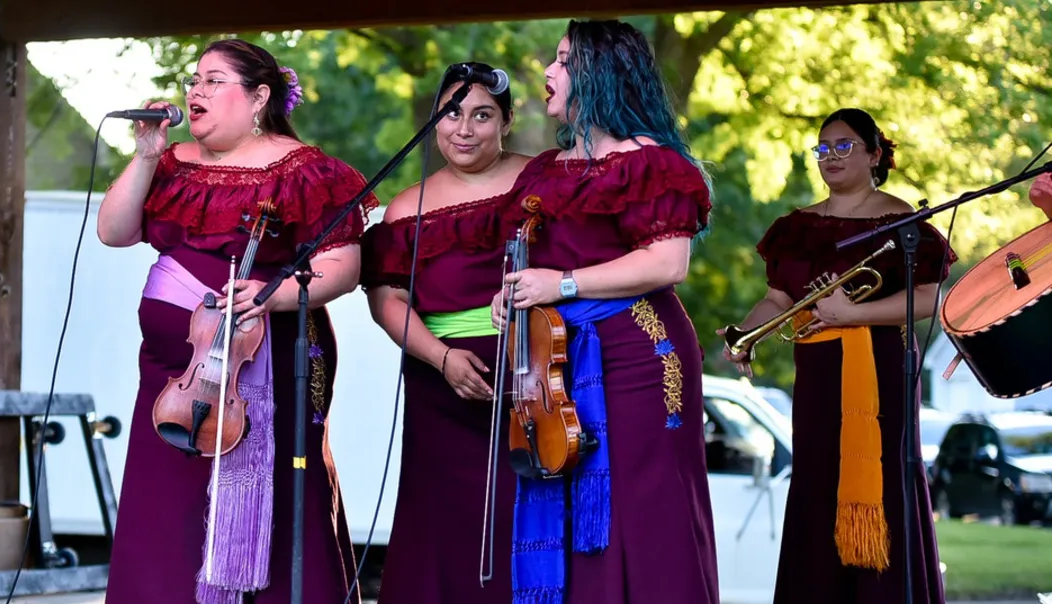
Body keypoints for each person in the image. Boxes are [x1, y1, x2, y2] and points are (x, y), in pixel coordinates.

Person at [96, 39, 374, 604]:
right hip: (173, 371)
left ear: (259, 97)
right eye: (193, 80)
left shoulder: (303, 168)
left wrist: (271, 295)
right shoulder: (172, 164)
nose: (195, 90)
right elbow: (113, 231)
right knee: (169, 502)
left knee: (280, 494)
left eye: (214, 80)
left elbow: (343, 267)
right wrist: (147, 154)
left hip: (266, 358)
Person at [488, 19, 719, 604]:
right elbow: (534, 266)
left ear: (601, 74)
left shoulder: (651, 163)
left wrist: (560, 285)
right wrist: (511, 294)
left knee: (643, 503)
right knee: (560, 490)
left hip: (640, 354)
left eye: (563, 61)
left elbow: (667, 264)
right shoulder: (546, 170)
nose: (547, 71)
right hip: (554, 356)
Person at [721, 107, 954, 604]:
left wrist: (852, 314)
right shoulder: (796, 227)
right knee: (818, 481)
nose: (831, 157)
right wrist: (749, 331)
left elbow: (933, 297)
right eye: (823, 149)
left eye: (844, 146)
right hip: (819, 376)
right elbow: (780, 300)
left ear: (875, 154)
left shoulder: (905, 224)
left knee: (886, 479)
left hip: (883, 372)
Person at [361, 62, 533, 604]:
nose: (464, 129)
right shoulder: (406, 205)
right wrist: (442, 358)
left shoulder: (544, 179)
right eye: (452, 114)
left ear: (506, 120)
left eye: (482, 115)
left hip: (537, 373)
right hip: (440, 381)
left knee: (525, 519)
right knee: (439, 524)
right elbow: (387, 299)